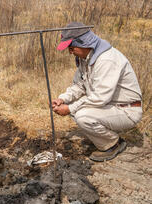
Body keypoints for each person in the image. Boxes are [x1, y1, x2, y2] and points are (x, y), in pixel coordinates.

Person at [52, 22, 142, 162]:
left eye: (72, 47)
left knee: (82, 115)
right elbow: (80, 85)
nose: (70, 52)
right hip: (110, 106)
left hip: (127, 111)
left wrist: (69, 108)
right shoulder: (85, 59)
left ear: (84, 43)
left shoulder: (106, 60)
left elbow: (100, 97)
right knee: (75, 107)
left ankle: (112, 144)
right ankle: (104, 135)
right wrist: (63, 99)